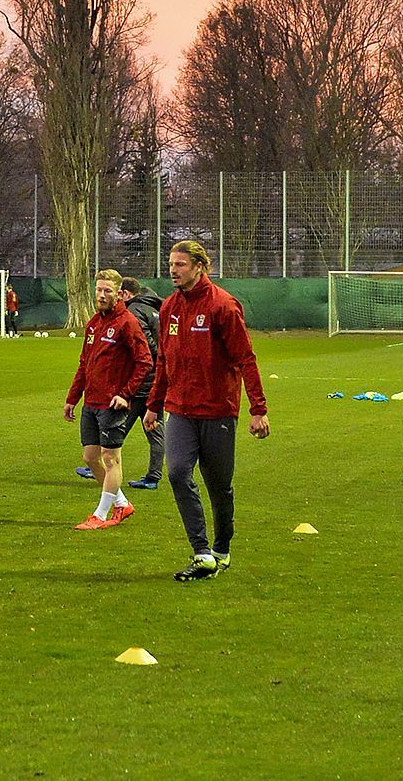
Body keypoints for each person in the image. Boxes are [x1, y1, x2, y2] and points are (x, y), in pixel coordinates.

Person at [143, 240, 270, 582]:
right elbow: (163, 361)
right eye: (171, 263)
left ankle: (222, 549)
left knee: (219, 486)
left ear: (200, 266)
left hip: (217, 411)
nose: (173, 270)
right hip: (180, 410)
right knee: (177, 473)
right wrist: (153, 405)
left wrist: (258, 409)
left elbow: (246, 359)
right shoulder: (169, 307)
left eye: (180, 264)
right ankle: (201, 552)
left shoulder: (223, 306)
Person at [63, 269, 153, 530]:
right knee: (90, 457)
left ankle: (100, 515)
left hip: (113, 403)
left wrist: (125, 394)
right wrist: (72, 398)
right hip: (91, 401)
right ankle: (122, 503)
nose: (101, 295)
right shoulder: (93, 323)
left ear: (119, 294)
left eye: (107, 291)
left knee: (111, 459)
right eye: (99, 290)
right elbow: (84, 363)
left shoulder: (127, 322)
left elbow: (145, 361)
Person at [120, 276, 167, 490]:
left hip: (142, 380)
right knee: (155, 430)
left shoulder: (134, 311)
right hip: (156, 379)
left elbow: (146, 345)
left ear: (126, 293)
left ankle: (99, 465)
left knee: (117, 425)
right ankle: (153, 477)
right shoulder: (154, 308)